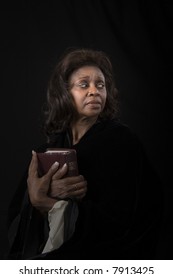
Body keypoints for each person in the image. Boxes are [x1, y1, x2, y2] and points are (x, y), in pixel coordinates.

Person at [6, 47, 163, 260]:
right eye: (83, 84)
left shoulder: (122, 143)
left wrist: (54, 205)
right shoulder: (47, 150)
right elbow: (17, 218)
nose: (94, 91)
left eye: (101, 85)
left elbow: (130, 219)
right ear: (65, 93)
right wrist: (36, 199)